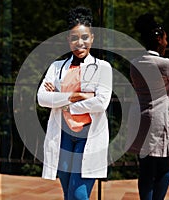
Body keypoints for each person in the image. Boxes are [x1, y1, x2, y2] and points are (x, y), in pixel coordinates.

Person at [37, 6, 112, 200]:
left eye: (85, 37)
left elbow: (101, 103)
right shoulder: (56, 67)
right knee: (68, 195)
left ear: (92, 37)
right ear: (67, 40)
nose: (80, 43)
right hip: (62, 137)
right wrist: (79, 96)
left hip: (89, 137)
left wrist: (61, 100)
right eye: (74, 38)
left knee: (78, 196)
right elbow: (42, 98)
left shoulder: (103, 68)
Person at [128, 14, 169, 200]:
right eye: (165, 38)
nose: (167, 42)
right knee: (165, 167)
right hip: (162, 122)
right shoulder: (166, 64)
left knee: (146, 169)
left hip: (142, 119)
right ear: (158, 39)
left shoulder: (135, 63)